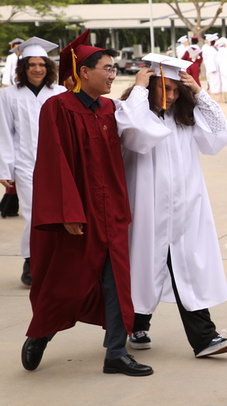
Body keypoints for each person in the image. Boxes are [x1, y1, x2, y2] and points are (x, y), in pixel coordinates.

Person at [21, 29, 152, 377]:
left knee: (115, 282)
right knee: (67, 282)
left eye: (113, 69)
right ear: (84, 72)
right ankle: (41, 333)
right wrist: (68, 212)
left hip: (112, 212)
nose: (112, 75)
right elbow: (52, 162)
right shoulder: (57, 108)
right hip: (78, 214)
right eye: (107, 69)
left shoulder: (110, 108)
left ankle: (116, 352)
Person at [115, 54, 227, 358]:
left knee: (187, 270)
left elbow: (220, 134)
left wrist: (198, 92)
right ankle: (137, 325)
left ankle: (204, 338)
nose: (171, 96)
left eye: (175, 90)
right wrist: (140, 89)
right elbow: (134, 133)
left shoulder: (183, 118)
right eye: (165, 88)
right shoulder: (133, 113)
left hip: (185, 211)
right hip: (147, 210)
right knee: (144, 267)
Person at [0, 38, 67, 287]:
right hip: (25, 165)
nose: (37, 69)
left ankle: (52, 261)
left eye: (42, 64)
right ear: (23, 67)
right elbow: (5, 133)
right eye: (32, 65)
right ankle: (31, 261)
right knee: (33, 213)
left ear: (48, 67)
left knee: (58, 214)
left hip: (57, 165)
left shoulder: (59, 93)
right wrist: (5, 168)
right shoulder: (8, 95)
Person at [202, 34, 221, 101]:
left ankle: (216, 95)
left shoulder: (212, 49)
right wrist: (213, 68)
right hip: (212, 67)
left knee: (215, 81)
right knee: (212, 81)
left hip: (215, 66)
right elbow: (210, 60)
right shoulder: (209, 49)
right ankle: (212, 95)